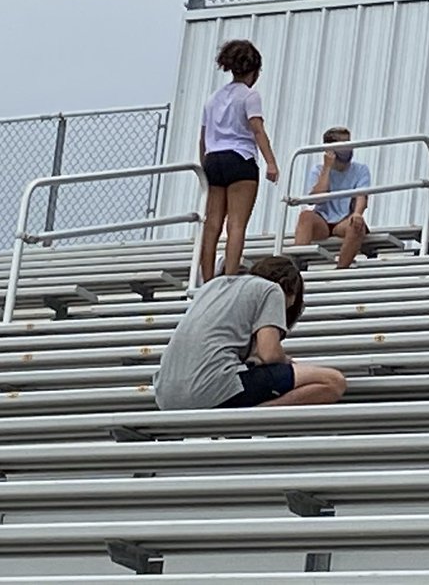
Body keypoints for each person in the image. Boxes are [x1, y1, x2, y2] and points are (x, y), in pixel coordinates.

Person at [153, 256, 346, 410]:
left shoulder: (213, 286)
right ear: (290, 292)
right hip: (211, 388)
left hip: (166, 397)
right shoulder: (272, 290)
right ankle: (257, 414)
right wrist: (286, 360)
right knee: (333, 381)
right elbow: (269, 353)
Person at [199, 40, 279, 283]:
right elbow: (257, 129)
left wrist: (204, 166)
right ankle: (230, 276)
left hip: (213, 158)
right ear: (254, 70)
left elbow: (202, 137)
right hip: (240, 158)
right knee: (236, 223)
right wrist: (271, 162)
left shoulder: (213, 98)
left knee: (212, 224)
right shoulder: (249, 95)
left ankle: (207, 277)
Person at [293, 126, 372, 269]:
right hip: (323, 219)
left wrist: (357, 213)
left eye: (349, 143)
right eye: (343, 145)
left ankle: (340, 270)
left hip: (344, 220)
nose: (348, 149)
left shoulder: (361, 170)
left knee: (357, 224)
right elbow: (317, 199)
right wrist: (327, 168)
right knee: (305, 217)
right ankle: (298, 267)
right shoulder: (318, 170)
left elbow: (362, 196)